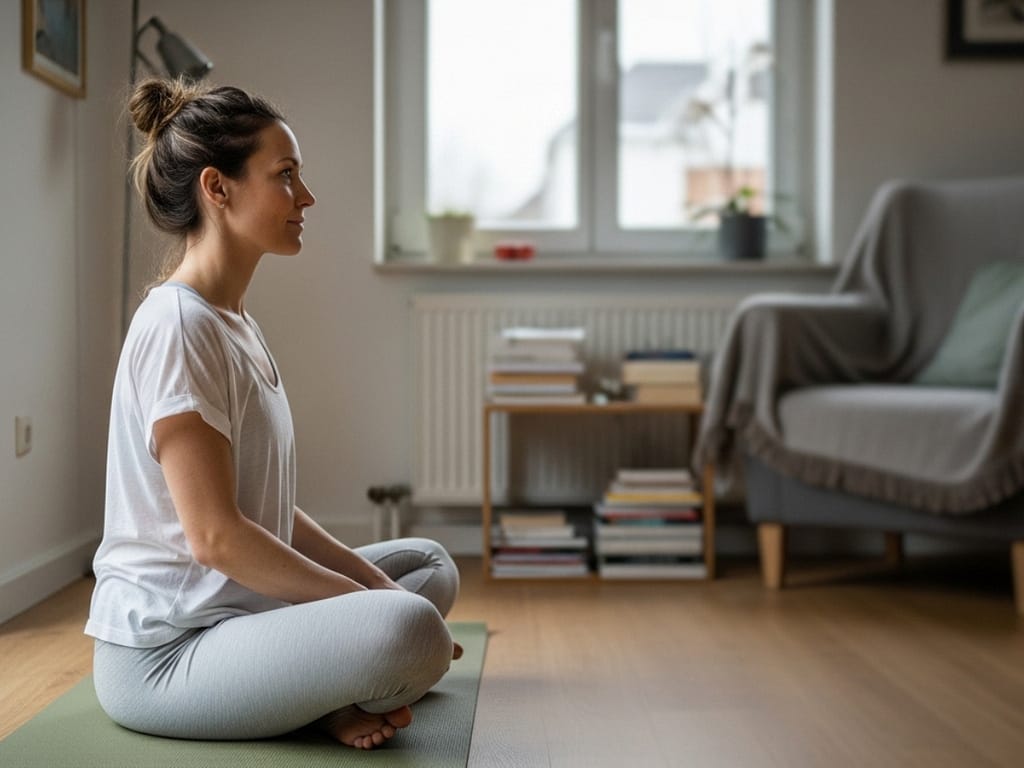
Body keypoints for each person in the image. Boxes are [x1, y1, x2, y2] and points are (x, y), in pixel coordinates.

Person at [85, 78, 461, 750]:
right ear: (217, 188)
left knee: (428, 566)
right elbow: (218, 539)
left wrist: (375, 585)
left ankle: (318, 685)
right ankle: (325, 694)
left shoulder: (234, 322)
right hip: (166, 655)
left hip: (240, 613)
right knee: (411, 630)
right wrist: (368, 607)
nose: (305, 197)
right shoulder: (178, 326)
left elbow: (268, 515)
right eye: (285, 176)